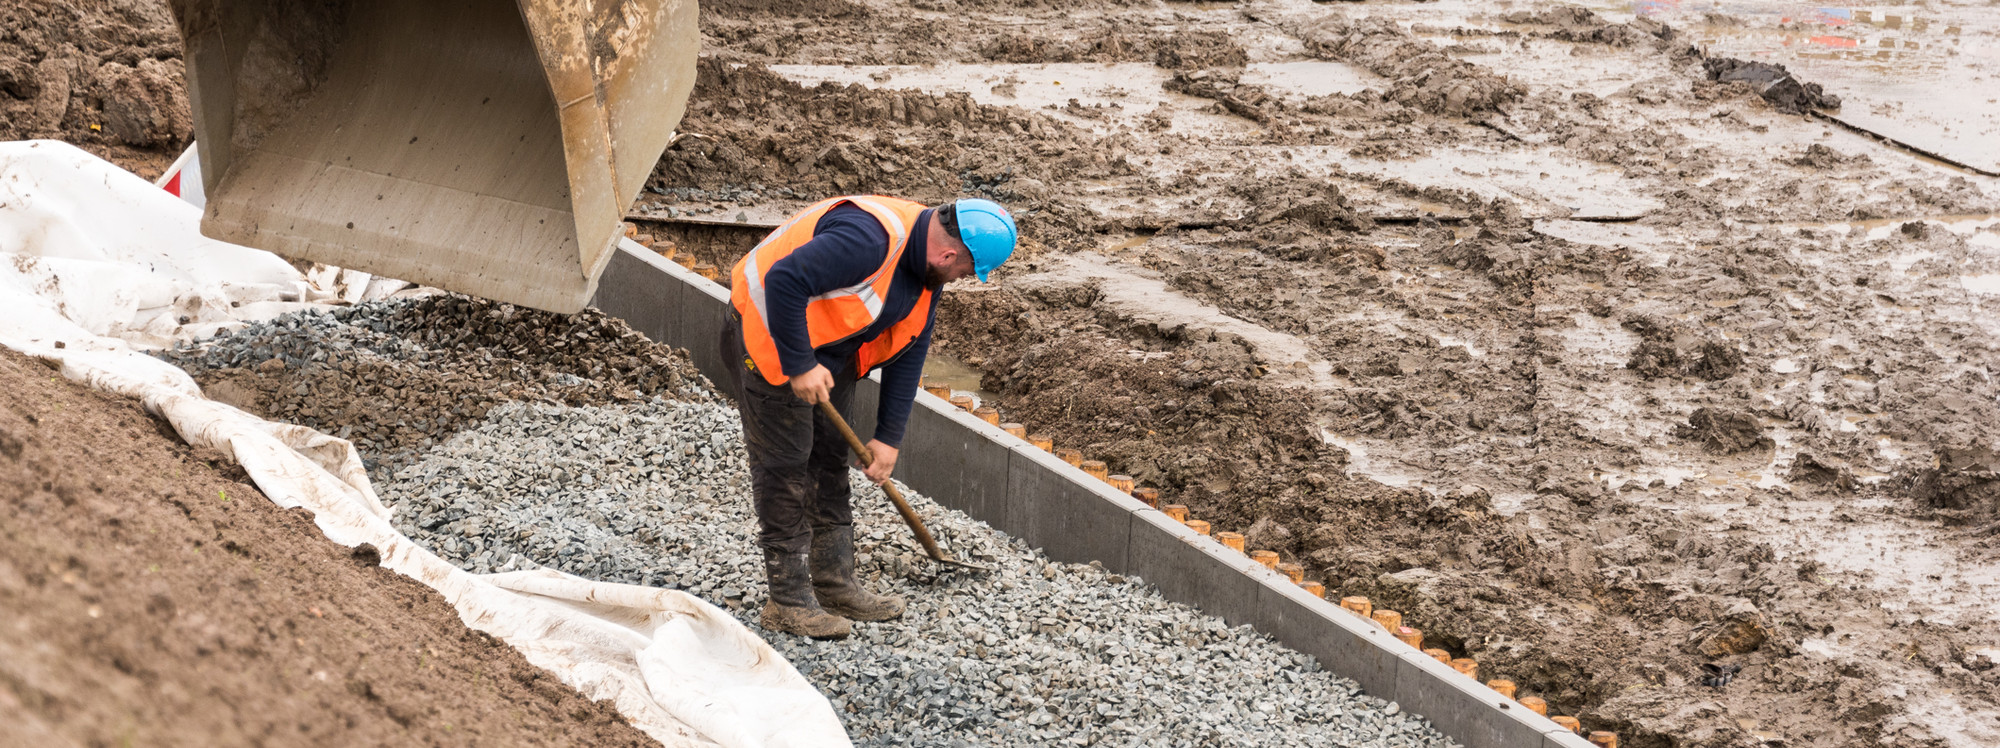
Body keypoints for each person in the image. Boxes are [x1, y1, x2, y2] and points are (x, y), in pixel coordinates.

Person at [722, 195, 1017, 639]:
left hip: (830, 348)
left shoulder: (926, 263)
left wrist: (888, 437)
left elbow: (911, 344)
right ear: (949, 254)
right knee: (786, 466)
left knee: (827, 457)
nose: (959, 280)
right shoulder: (868, 240)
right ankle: (787, 601)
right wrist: (799, 363)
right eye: (963, 273)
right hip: (766, 332)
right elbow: (782, 280)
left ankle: (833, 582)